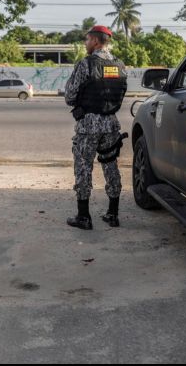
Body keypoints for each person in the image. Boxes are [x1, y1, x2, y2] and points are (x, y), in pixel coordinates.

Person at [64, 25, 128, 230]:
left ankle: (83, 217)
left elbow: (70, 96)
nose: (85, 43)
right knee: (110, 165)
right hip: (111, 123)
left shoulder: (87, 64)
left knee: (83, 166)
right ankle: (113, 214)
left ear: (95, 41)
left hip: (89, 125)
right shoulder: (119, 65)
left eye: (87, 40)